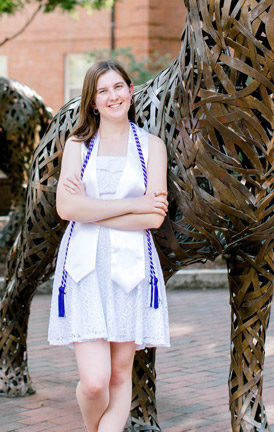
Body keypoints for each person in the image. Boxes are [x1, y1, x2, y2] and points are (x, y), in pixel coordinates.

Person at [48, 59, 170, 432]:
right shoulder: (77, 146)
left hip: (131, 273)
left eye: (118, 87)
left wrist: (92, 210)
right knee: (95, 382)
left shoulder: (152, 147)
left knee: (119, 379)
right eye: (102, 91)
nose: (112, 96)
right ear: (93, 102)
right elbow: (67, 208)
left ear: (131, 92)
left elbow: (154, 218)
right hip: (85, 272)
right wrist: (133, 203)